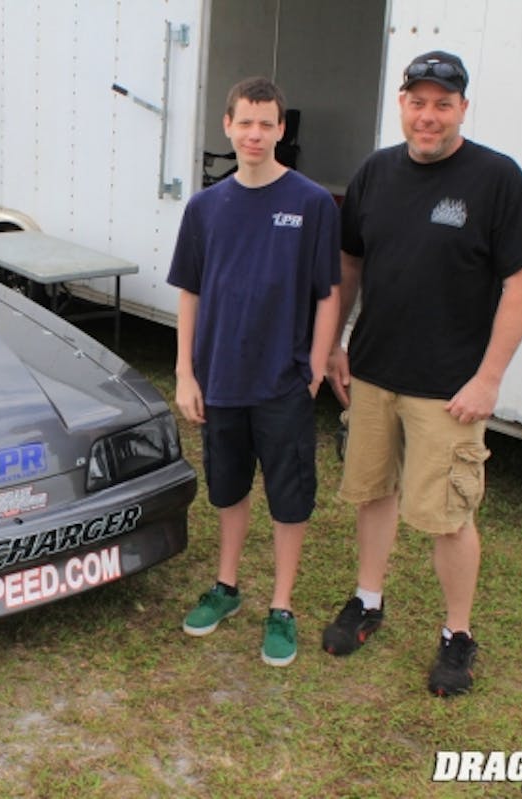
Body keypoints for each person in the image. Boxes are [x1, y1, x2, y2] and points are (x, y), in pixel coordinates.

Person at [322, 51, 522, 696]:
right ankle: (368, 600)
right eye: (417, 102)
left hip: (449, 388)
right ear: (403, 105)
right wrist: (336, 341)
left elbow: (521, 286)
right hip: (374, 371)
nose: (428, 115)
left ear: (462, 109)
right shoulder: (374, 172)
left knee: (448, 514)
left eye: (442, 103)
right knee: (372, 491)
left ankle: (457, 635)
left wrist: (489, 378)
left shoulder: (497, 178)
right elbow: (349, 265)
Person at [168, 77, 340, 667]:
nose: (256, 134)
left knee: (289, 496)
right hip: (221, 379)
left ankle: (283, 607)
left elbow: (327, 294)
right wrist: (186, 374)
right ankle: (226, 587)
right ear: (227, 125)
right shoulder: (205, 207)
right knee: (228, 486)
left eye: (267, 124)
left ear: (282, 130)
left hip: (283, 382)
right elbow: (189, 293)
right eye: (246, 123)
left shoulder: (312, 203)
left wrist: (314, 370)